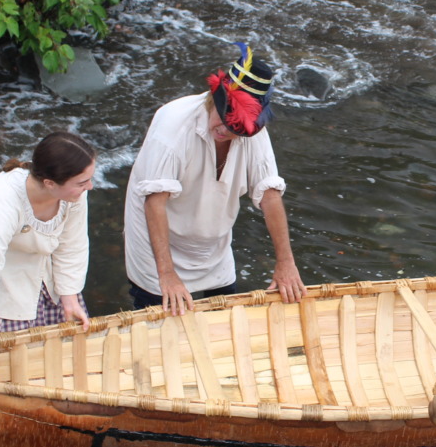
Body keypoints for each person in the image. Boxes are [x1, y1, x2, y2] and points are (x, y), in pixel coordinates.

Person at [123, 42, 305, 315]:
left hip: (213, 243)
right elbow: (154, 203)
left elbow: (269, 195)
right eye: (223, 119)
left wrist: (286, 263)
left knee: (225, 316)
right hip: (158, 240)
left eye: (236, 130)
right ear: (214, 97)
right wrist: (167, 275)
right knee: (160, 320)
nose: (225, 131)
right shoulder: (173, 126)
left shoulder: (251, 131)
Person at [0, 132, 96, 406]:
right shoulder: (3, 199)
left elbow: (72, 245)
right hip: (3, 283)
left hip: (44, 274)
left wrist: (69, 297)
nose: (90, 186)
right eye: (82, 182)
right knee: (10, 366)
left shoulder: (74, 194)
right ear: (50, 183)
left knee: (61, 355)